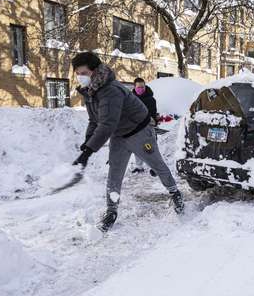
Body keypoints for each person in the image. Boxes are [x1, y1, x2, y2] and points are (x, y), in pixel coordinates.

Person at [71, 52, 184, 233]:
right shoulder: (91, 92)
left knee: (157, 164)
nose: (80, 77)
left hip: (140, 131)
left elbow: (107, 124)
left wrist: (88, 152)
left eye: (83, 72)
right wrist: (87, 143)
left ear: (94, 71)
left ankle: (174, 192)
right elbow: (95, 121)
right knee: (114, 172)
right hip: (119, 135)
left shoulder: (110, 90)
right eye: (77, 73)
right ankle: (111, 210)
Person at [131, 78, 157, 174]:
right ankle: (139, 166)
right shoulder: (131, 99)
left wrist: (152, 122)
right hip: (134, 126)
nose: (140, 89)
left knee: (149, 147)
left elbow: (153, 114)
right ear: (134, 87)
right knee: (136, 147)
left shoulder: (151, 99)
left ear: (145, 87)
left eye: (142, 87)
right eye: (138, 87)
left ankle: (154, 167)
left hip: (147, 126)